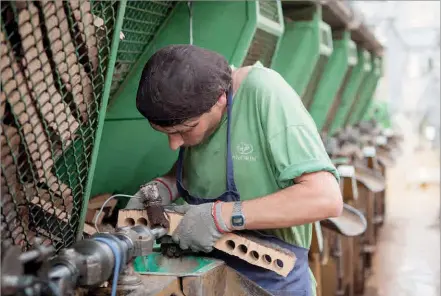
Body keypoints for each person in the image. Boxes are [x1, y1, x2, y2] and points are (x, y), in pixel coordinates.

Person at [126, 44, 343, 296]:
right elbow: (208, 164)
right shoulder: (199, 109)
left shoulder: (265, 93)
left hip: (272, 282)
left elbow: (325, 198)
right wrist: (167, 185)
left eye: (185, 129)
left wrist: (220, 217)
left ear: (220, 99)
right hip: (211, 278)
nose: (175, 144)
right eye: (166, 134)